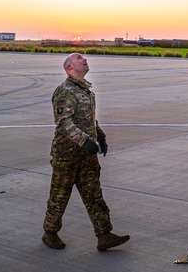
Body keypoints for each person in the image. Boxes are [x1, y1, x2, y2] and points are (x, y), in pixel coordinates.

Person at [42, 52, 129, 251]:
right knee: (59, 195)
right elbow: (64, 123)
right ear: (69, 68)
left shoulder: (85, 90)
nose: (85, 59)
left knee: (94, 195)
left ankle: (104, 235)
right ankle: (50, 232)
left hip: (86, 155)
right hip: (67, 155)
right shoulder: (65, 91)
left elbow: (89, 119)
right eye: (79, 58)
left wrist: (101, 136)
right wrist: (85, 141)